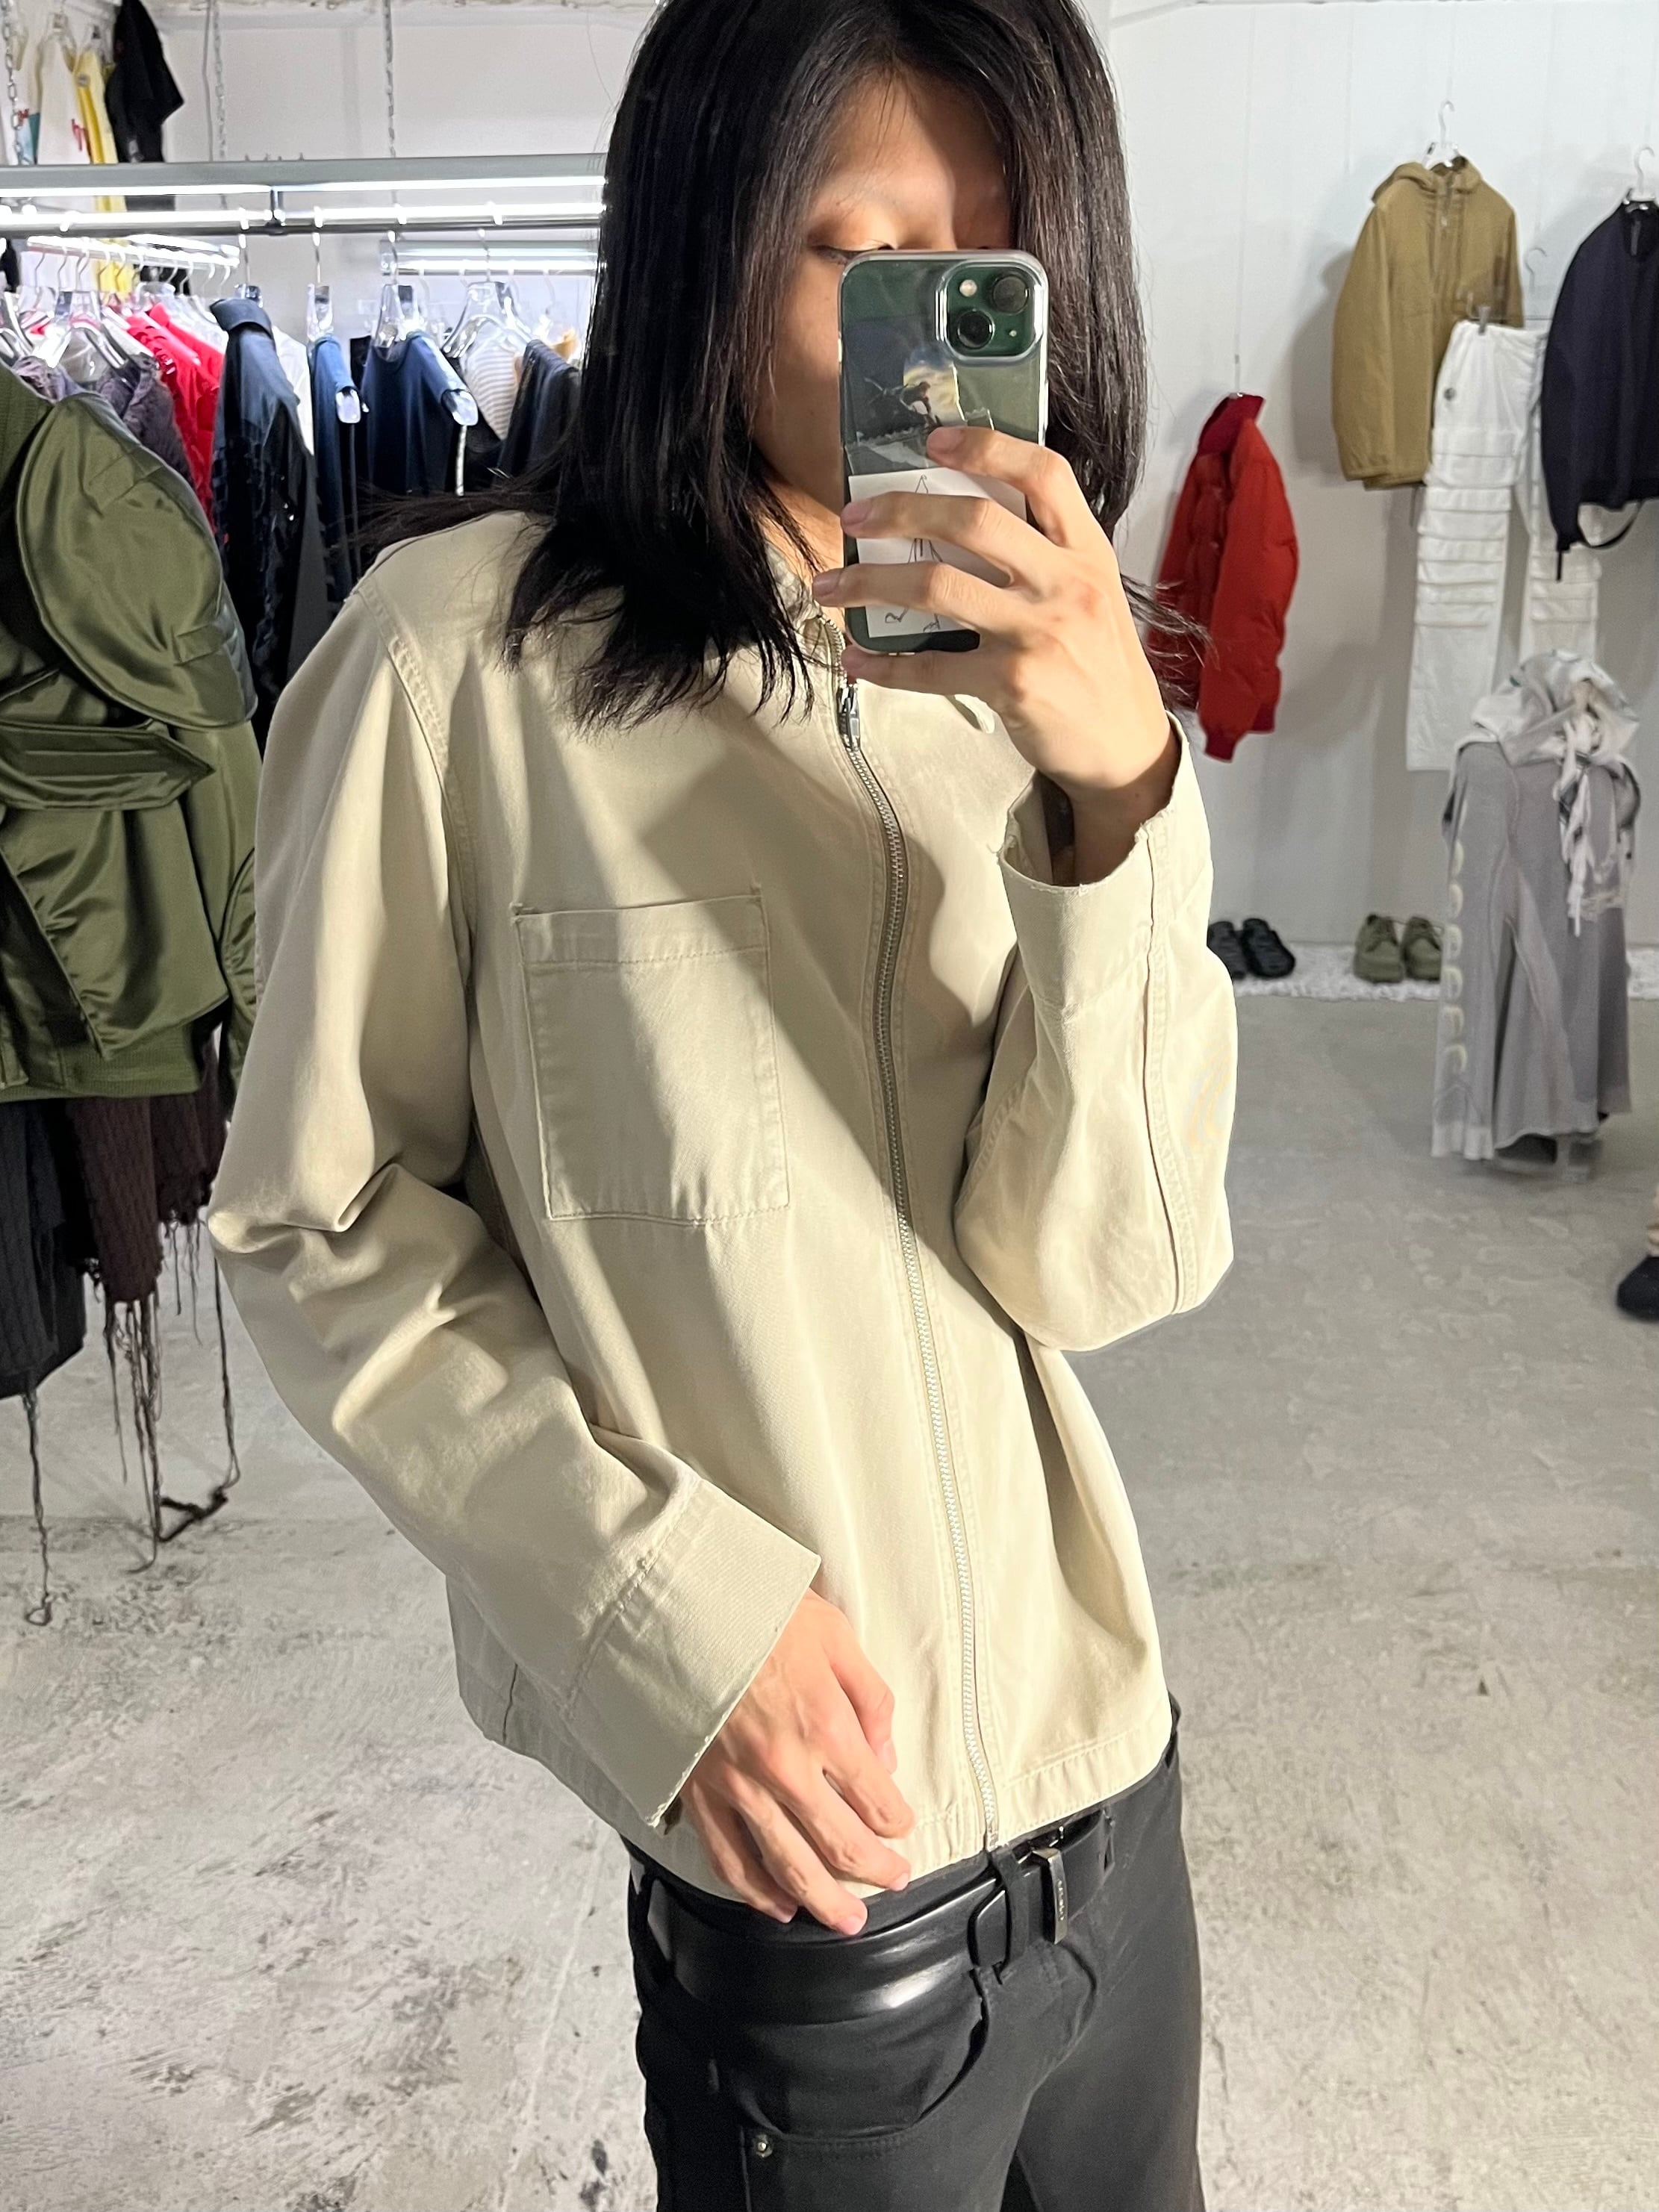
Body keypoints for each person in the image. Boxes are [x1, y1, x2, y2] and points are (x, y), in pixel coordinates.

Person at [205, 1, 1238, 2204]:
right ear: (700, 237)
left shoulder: (1032, 679)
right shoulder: (452, 662)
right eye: (851, 247)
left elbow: (1109, 1266)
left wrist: (1116, 794)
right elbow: (319, 1221)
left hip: (1117, 1801)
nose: (923, 330)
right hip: (824, 1881)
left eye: (986, 253)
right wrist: (663, 1621)